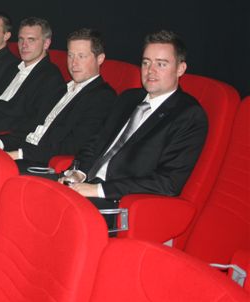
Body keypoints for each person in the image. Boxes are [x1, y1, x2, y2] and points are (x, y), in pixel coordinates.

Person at [60, 30, 208, 212]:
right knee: (35, 193)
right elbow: (96, 142)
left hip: (118, 201)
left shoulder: (188, 115)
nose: (150, 71)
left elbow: (167, 182)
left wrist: (98, 190)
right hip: (85, 186)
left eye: (161, 64)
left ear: (180, 69)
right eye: (146, 63)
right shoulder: (128, 98)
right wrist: (78, 172)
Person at [0, 28, 117, 173]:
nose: (74, 63)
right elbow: (32, 126)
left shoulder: (102, 97)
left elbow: (73, 146)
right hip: (23, 150)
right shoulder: (62, 89)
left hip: (44, 163)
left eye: (81, 56)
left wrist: (19, 154)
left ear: (100, 59)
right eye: (70, 55)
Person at [0, 17, 65, 136]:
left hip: (8, 135)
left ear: (46, 44)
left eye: (31, 40)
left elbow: (36, 121)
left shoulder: (51, 78)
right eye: (21, 39)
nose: (24, 45)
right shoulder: (12, 68)